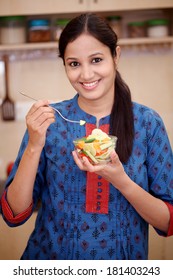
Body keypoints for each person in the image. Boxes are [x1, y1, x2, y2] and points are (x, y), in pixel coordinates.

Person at [0, 13, 173, 260]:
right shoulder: (50, 122)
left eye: (96, 60)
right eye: (74, 64)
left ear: (116, 56)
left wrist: (121, 180)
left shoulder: (148, 123)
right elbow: (13, 215)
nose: (86, 74)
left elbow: (168, 222)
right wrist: (34, 145)